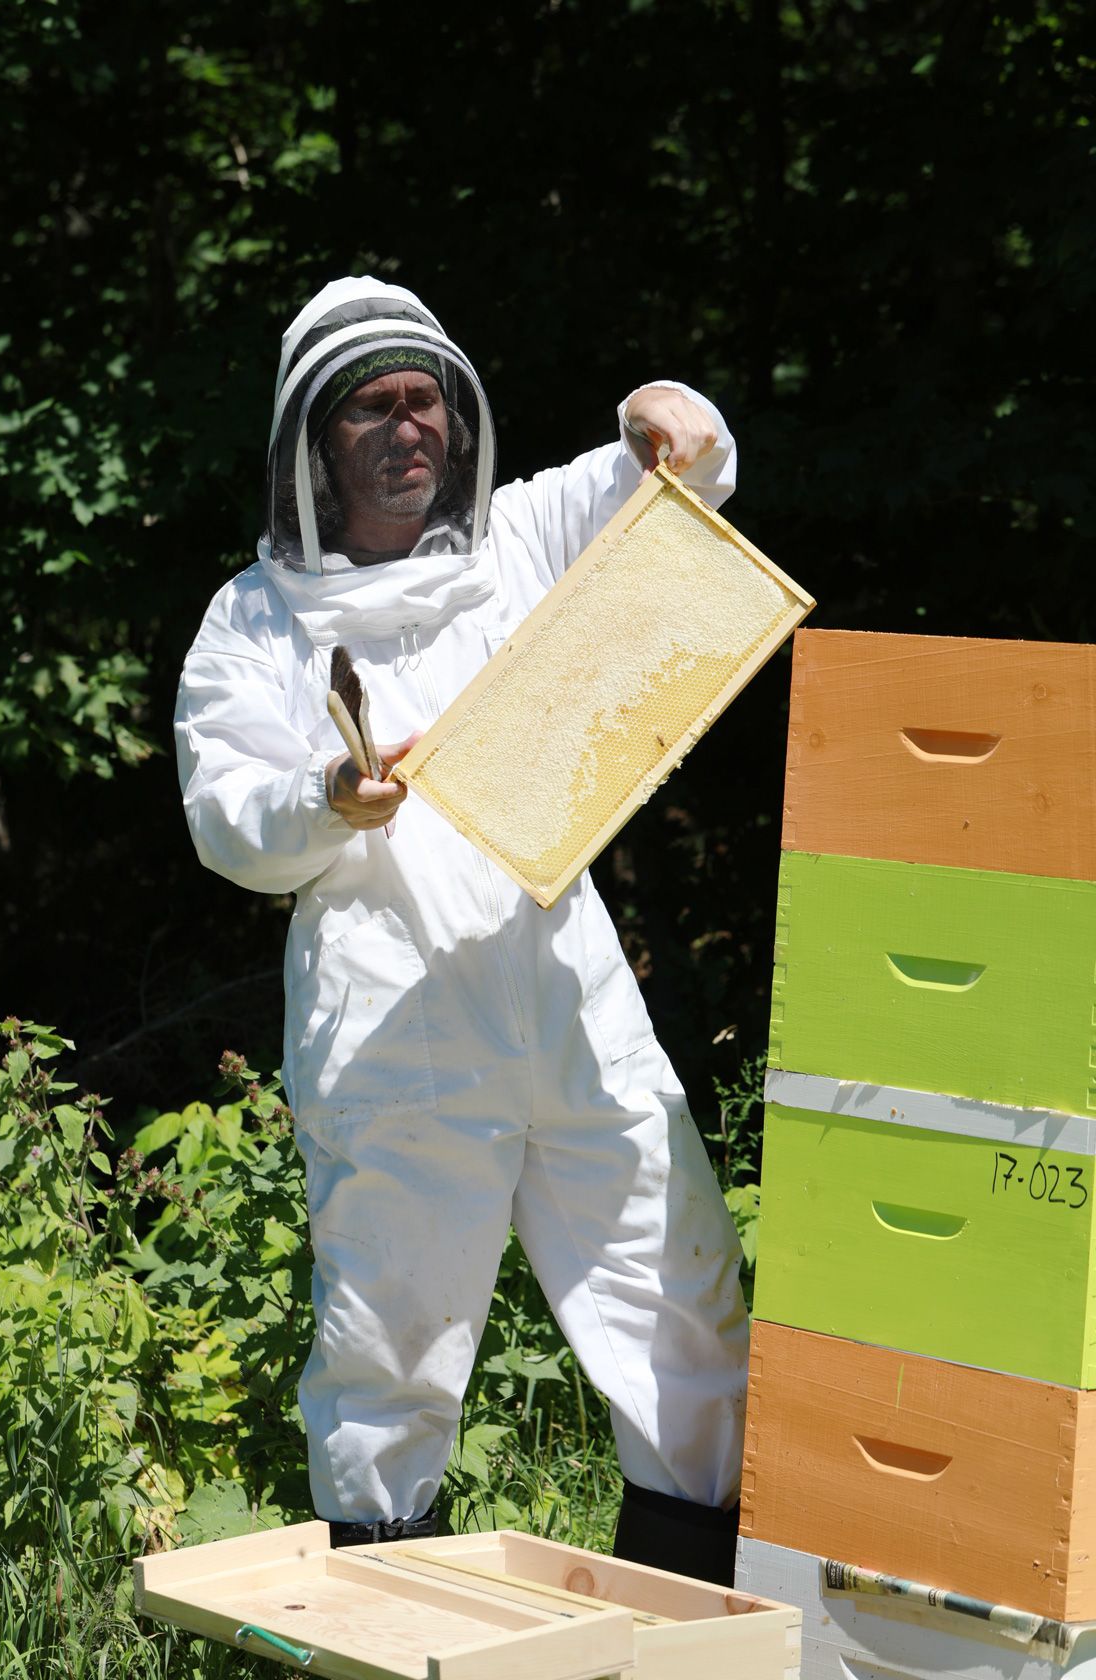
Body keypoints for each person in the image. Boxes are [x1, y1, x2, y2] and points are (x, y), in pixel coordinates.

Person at [174, 276, 749, 1584]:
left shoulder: (526, 537)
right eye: (373, 406)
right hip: (392, 1030)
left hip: (568, 998)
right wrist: (324, 796)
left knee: (687, 1321)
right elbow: (227, 815)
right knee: (390, 1366)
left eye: (423, 398)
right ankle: (392, 1640)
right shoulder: (254, 624)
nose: (407, 428)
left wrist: (668, 414)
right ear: (316, 438)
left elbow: (686, 478)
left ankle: (682, 1654)